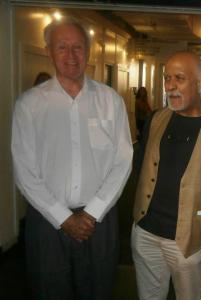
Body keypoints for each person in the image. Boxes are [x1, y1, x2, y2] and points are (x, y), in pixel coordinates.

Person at [12, 17, 133, 299]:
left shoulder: (109, 100)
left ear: (88, 51)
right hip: (47, 223)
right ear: (48, 51)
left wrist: (92, 212)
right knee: (49, 291)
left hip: (99, 223)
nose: (71, 55)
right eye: (62, 47)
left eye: (77, 47)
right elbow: (24, 171)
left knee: (99, 290)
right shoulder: (29, 105)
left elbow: (123, 159)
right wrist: (64, 218)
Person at [131, 51, 201, 300]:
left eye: (179, 78)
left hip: (189, 241)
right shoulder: (156, 118)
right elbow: (141, 168)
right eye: (167, 78)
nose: (170, 86)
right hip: (146, 232)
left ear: (200, 83)